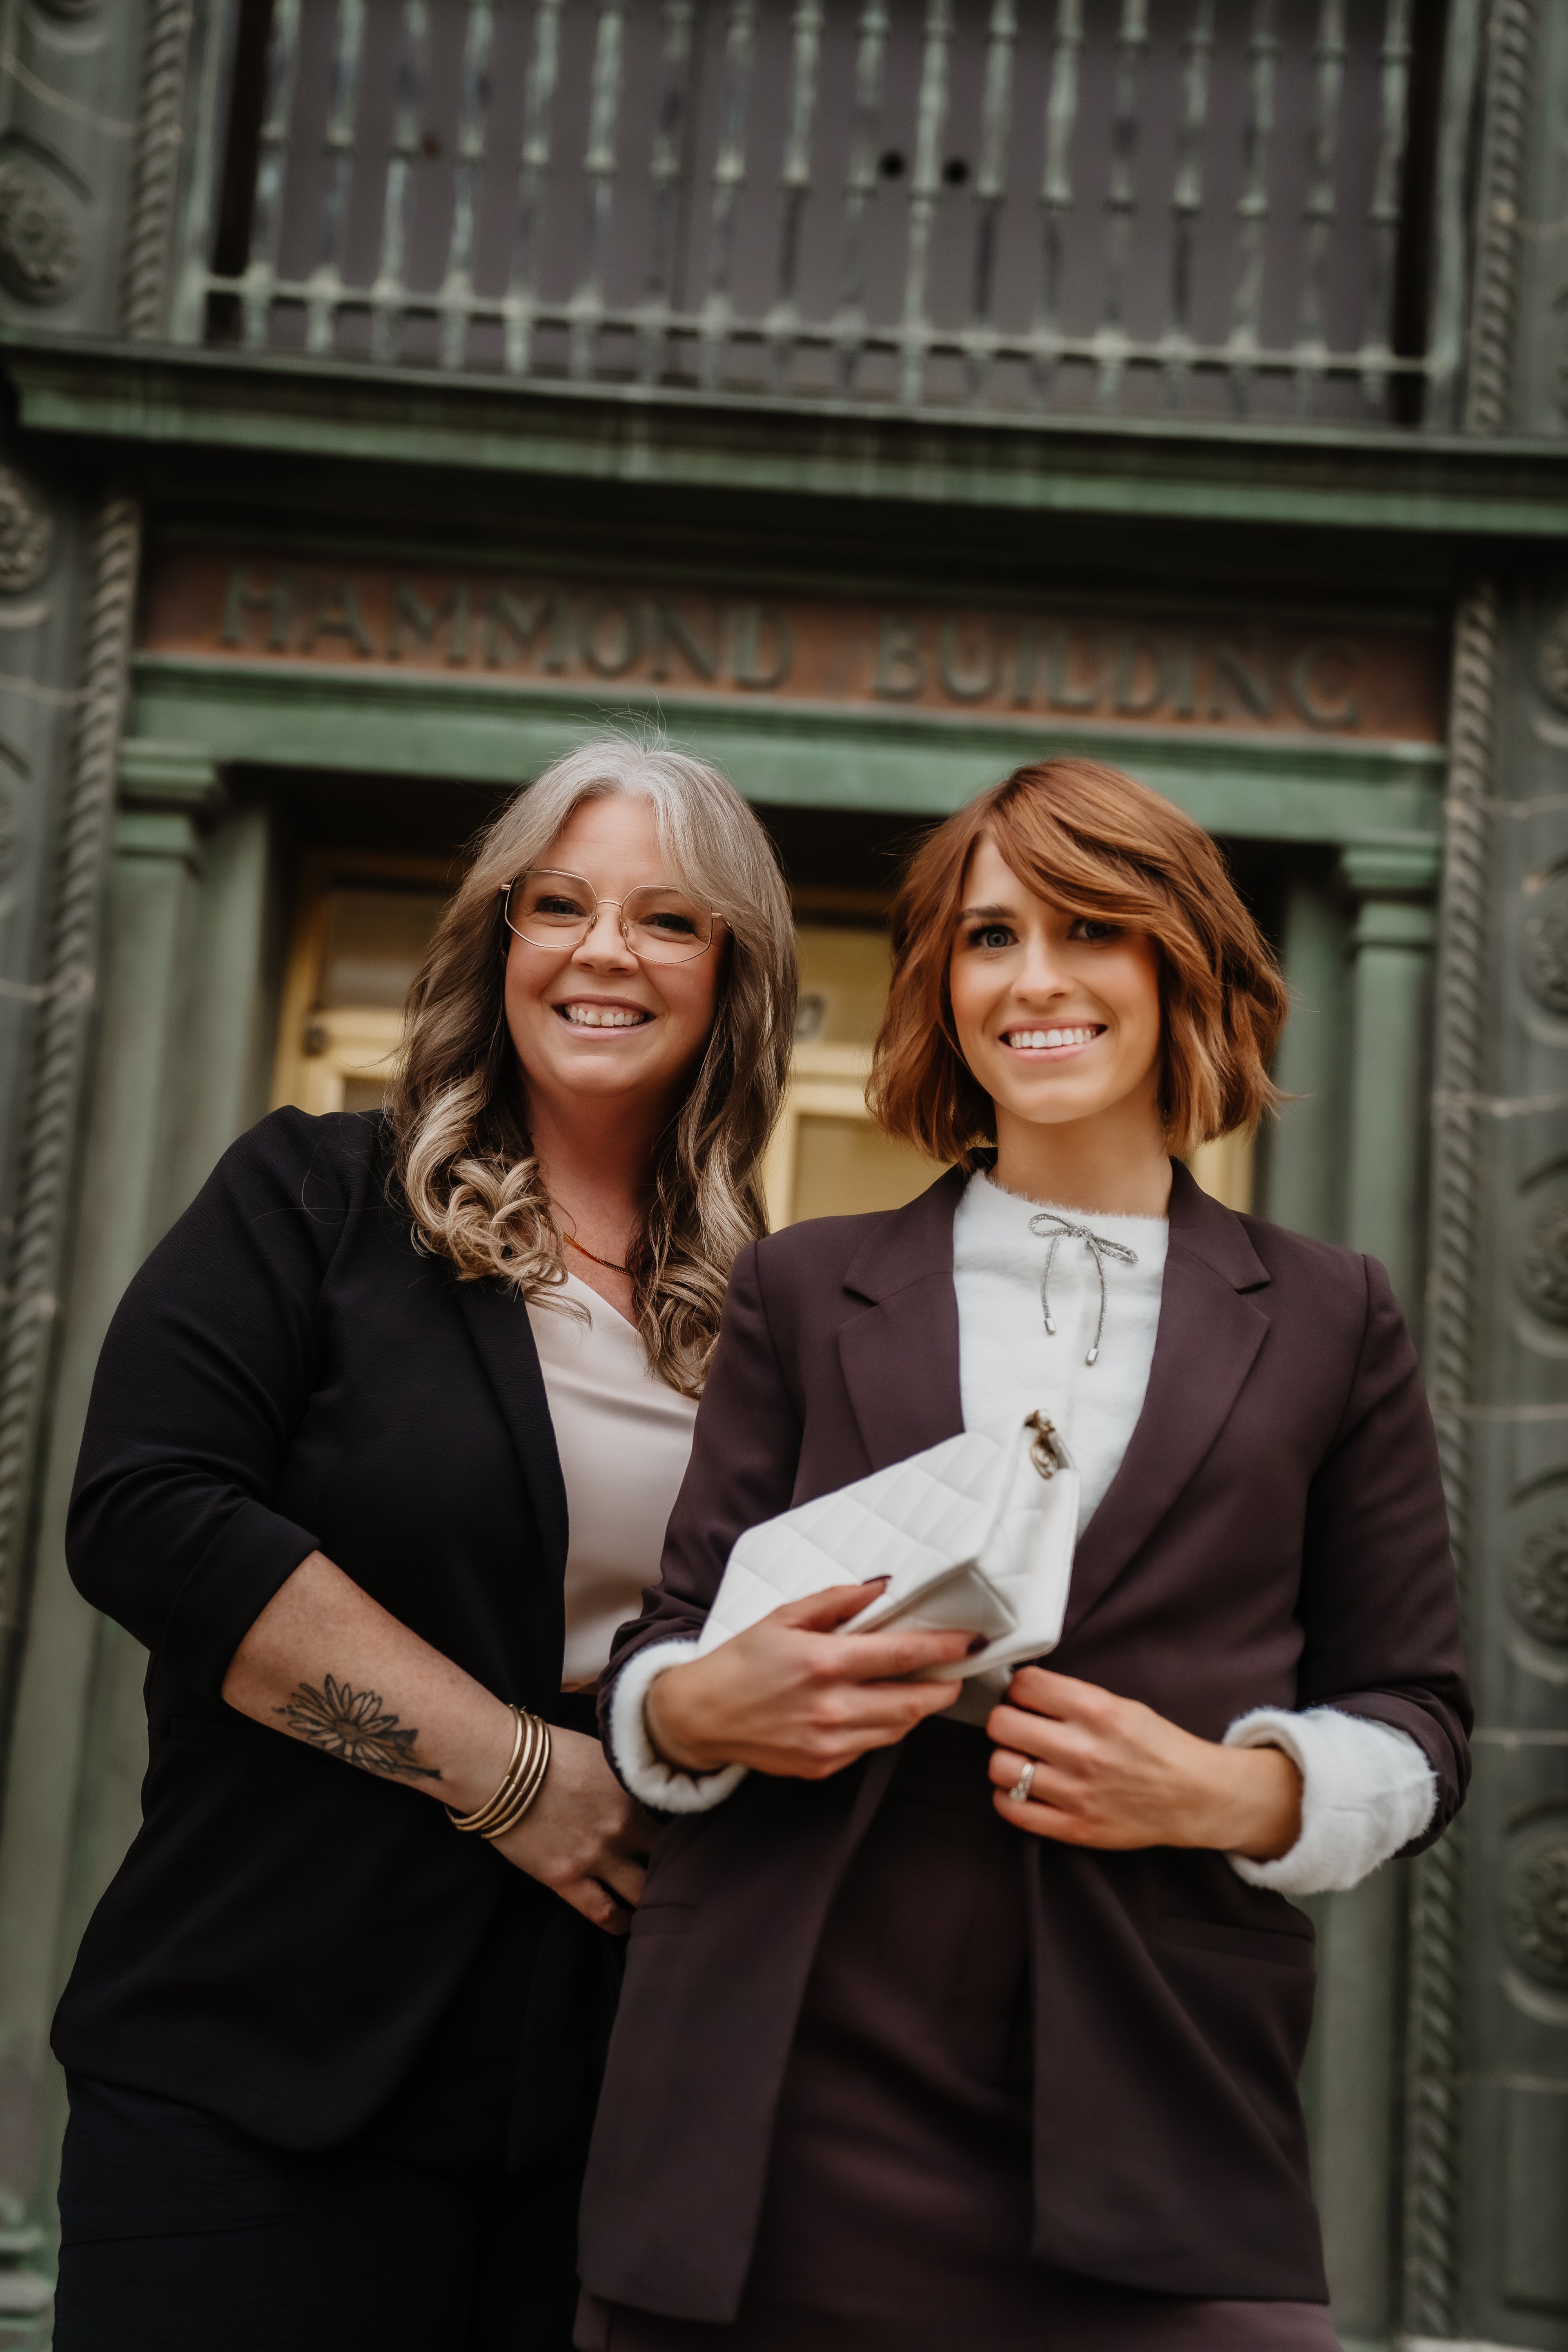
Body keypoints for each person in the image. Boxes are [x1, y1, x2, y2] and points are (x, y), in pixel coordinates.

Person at [576, 756, 1470, 2352]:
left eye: (1092, 931)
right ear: (943, 986)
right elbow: (666, 1647)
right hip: (783, 2079)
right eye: (991, 939)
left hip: (1166, 2086)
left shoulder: (1338, 1316)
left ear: (1176, 963)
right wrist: (709, 1711)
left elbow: (1418, 1717)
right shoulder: (806, 1286)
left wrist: (1230, 1794)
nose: (1037, 980)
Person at [50, 736, 796, 2352]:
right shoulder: (314, 1198)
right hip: (264, 2067)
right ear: (500, 938)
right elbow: (149, 1518)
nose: (606, 952)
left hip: (607, 2118)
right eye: (562, 905)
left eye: (669, 920)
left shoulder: (778, 1318)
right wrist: (520, 1780)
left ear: (733, 980)